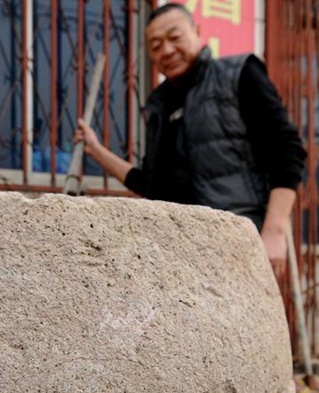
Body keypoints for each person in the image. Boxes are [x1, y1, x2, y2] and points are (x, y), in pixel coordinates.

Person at [74, 4, 306, 277]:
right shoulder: (159, 106)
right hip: (176, 255)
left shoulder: (239, 74)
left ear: (197, 32)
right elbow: (150, 184)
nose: (167, 50)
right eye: (156, 45)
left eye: (175, 38)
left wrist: (274, 230)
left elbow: (286, 150)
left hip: (236, 243)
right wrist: (97, 151)